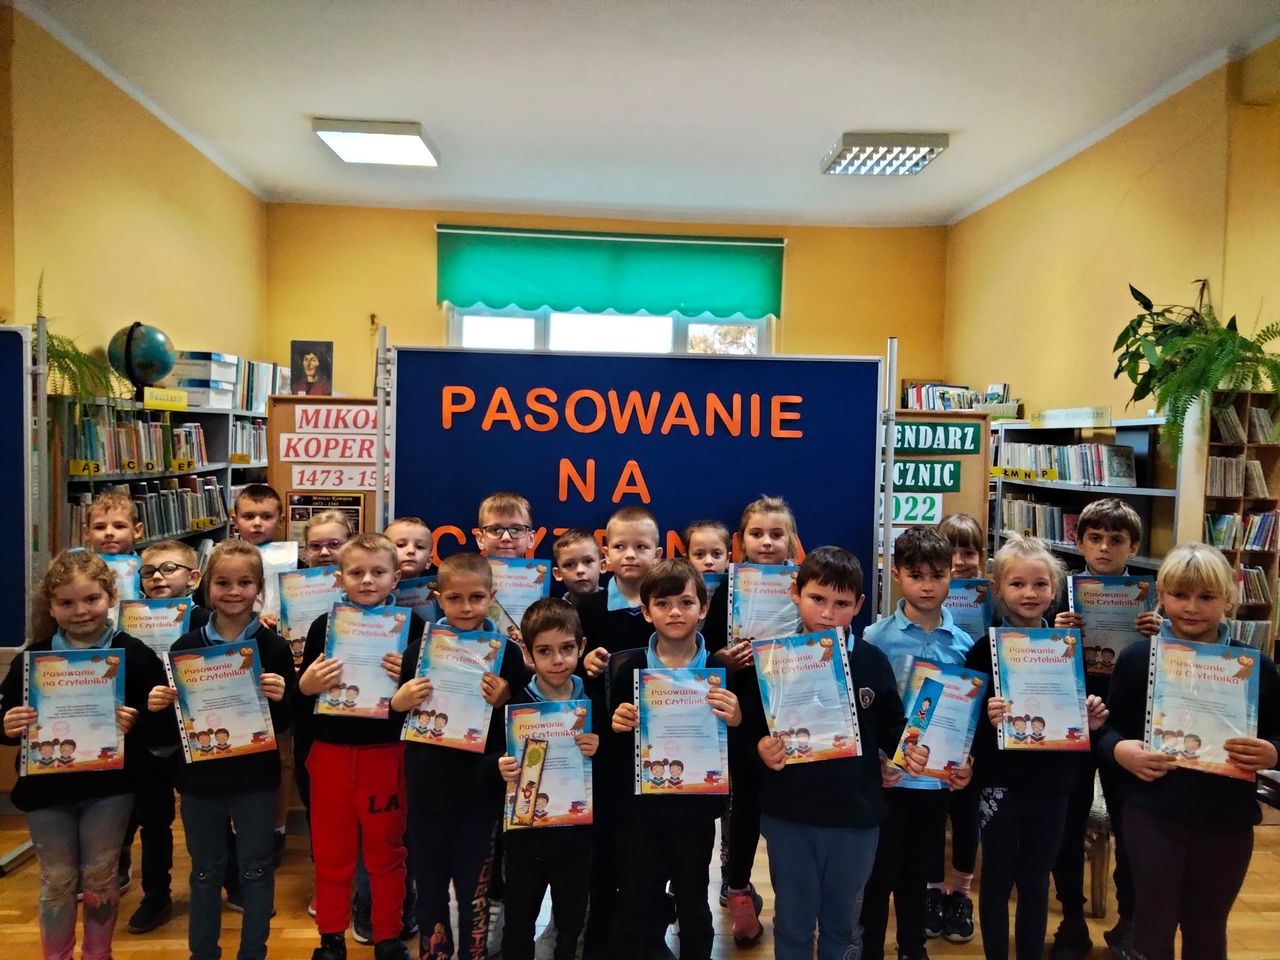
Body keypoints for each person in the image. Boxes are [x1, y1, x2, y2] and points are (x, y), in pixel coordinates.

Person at [1099, 543, 1280, 960]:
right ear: (1161, 596)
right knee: (1152, 924)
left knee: (1207, 927)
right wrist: (1120, 749)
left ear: (1228, 599)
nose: (1192, 608)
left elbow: (1279, 735)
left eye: (1206, 597)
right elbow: (1108, 729)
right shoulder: (1137, 658)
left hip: (1226, 820)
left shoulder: (1255, 666)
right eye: (1180, 595)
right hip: (1153, 815)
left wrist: (1272, 752)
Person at [754, 545, 923, 960]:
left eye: (842, 604)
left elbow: (893, 726)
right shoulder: (772, 660)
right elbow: (751, 732)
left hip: (855, 818)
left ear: (859, 605)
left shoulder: (871, 661)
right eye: (817, 599)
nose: (828, 613)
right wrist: (760, 746)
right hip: (790, 816)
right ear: (796, 593)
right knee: (792, 923)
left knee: (843, 926)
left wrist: (908, 751)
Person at [0, 550, 164, 960]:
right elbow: (7, 720)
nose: (80, 611)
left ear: (110, 597)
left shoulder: (135, 655)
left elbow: (163, 724)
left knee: (101, 875)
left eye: (91, 599)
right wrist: (7, 724)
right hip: (46, 790)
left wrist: (137, 721)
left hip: (110, 788)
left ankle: (98, 954)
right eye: (66, 603)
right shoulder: (31, 660)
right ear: (51, 607)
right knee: (56, 879)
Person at [146, 540, 296, 960]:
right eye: (223, 582)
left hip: (255, 780)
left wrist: (282, 697)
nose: (233, 591)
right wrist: (159, 706)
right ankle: (203, 953)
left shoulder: (274, 647)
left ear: (258, 588)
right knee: (205, 871)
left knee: (256, 868)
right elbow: (175, 728)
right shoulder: (185, 647)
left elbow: (285, 723)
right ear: (207, 586)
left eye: (245, 582)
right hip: (200, 782)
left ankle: (253, 952)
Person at [963, 535, 1108, 960]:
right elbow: (967, 724)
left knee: (1035, 880)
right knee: (995, 881)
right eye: (1018, 584)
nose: (1030, 593)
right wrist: (987, 717)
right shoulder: (984, 650)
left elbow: (1080, 716)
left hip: (1053, 784)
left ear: (1054, 589)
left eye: (1040, 584)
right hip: (999, 784)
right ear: (998, 589)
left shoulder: (1069, 649)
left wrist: (1091, 721)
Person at [390, 552, 528, 960]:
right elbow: (397, 717)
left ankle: (474, 953)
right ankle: (434, 952)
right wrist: (399, 701)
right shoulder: (418, 651)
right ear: (437, 597)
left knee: (474, 890)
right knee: (430, 886)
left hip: (479, 792)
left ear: (492, 597)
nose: (466, 607)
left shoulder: (508, 654)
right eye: (454, 598)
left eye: (476, 597)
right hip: (427, 787)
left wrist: (507, 698)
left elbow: (522, 721)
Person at [297, 533, 424, 960]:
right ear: (339, 579)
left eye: (378, 572)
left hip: (386, 755)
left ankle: (388, 936)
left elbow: (425, 699)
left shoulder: (414, 628)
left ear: (396, 578)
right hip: (330, 753)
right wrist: (306, 685)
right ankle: (331, 937)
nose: (367, 580)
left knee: (387, 852)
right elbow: (304, 697)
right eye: (356, 573)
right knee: (331, 852)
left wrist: (407, 679)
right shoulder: (323, 627)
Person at [608, 558, 742, 960]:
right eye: (663, 604)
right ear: (647, 611)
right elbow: (614, 748)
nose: (675, 612)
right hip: (642, 811)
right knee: (639, 897)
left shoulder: (719, 669)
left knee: (693, 898)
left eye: (686, 603)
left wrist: (737, 718)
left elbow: (739, 739)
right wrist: (618, 724)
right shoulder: (630, 670)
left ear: (703, 608)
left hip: (696, 811)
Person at [1047, 497, 1159, 959]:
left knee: (1131, 823)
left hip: (1126, 723)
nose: (1105, 548)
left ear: (1133, 546)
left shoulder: (1149, 598)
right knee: (1068, 823)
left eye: (1116, 539)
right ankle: (1072, 918)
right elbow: (1034, 657)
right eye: (1094, 538)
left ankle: (1129, 918)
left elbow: (1164, 665)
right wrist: (1055, 630)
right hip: (1072, 718)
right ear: (1079, 543)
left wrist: (1159, 633)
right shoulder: (1060, 594)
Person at [862, 526, 976, 960]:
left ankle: (913, 947)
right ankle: (871, 948)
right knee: (878, 873)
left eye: (937, 575)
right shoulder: (875, 638)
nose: (927, 586)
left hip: (934, 782)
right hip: (888, 779)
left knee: (918, 872)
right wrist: (877, 762)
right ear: (896, 574)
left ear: (952, 574)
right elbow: (869, 711)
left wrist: (966, 761)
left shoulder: (963, 644)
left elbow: (968, 717)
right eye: (916, 576)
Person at [704, 495, 800, 945]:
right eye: (757, 534)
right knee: (743, 804)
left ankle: (794, 899)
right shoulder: (730, 586)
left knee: (787, 805)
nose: (767, 543)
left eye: (777, 535)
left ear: (791, 541)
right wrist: (724, 661)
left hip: (788, 712)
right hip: (742, 715)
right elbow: (708, 652)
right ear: (742, 541)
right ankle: (739, 892)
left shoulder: (803, 584)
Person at [577, 505, 666, 957]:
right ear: (605, 552)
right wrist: (584, 661)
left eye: (641, 546)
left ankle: (650, 933)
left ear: (659, 553)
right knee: (605, 842)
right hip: (605, 748)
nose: (630, 555)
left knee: (651, 846)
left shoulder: (667, 604)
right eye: (620, 546)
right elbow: (569, 663)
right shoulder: (588, 607)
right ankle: (598, 935)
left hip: (660, 745)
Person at [495, 599, 599, 960]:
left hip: (577, 838)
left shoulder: (593, 701)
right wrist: (499, 767)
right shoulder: (515, 705)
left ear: (581, 647)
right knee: (519, 922)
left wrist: (600, 747)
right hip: (525, 840)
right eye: (544, 651)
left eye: (567, 648)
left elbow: (615, 766)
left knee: (571, 921)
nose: (558, 660)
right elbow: (487, 763)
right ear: (528, 653)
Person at [121, 540, 210, 934]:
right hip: (148, 736)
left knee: (207, 813)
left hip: (198, 733)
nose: (157, 577)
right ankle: (156, 895)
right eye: (148, 571)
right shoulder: (125, 625)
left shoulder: (207, 622)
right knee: (153, 820)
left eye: (169, 568)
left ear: (194, 577)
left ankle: (228, 881)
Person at [551, 528, 604, 604]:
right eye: (569, 565)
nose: (580, 570)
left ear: (602, 566)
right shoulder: (554, 612)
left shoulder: (620, 607)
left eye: (588, 561)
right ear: (558, 573)